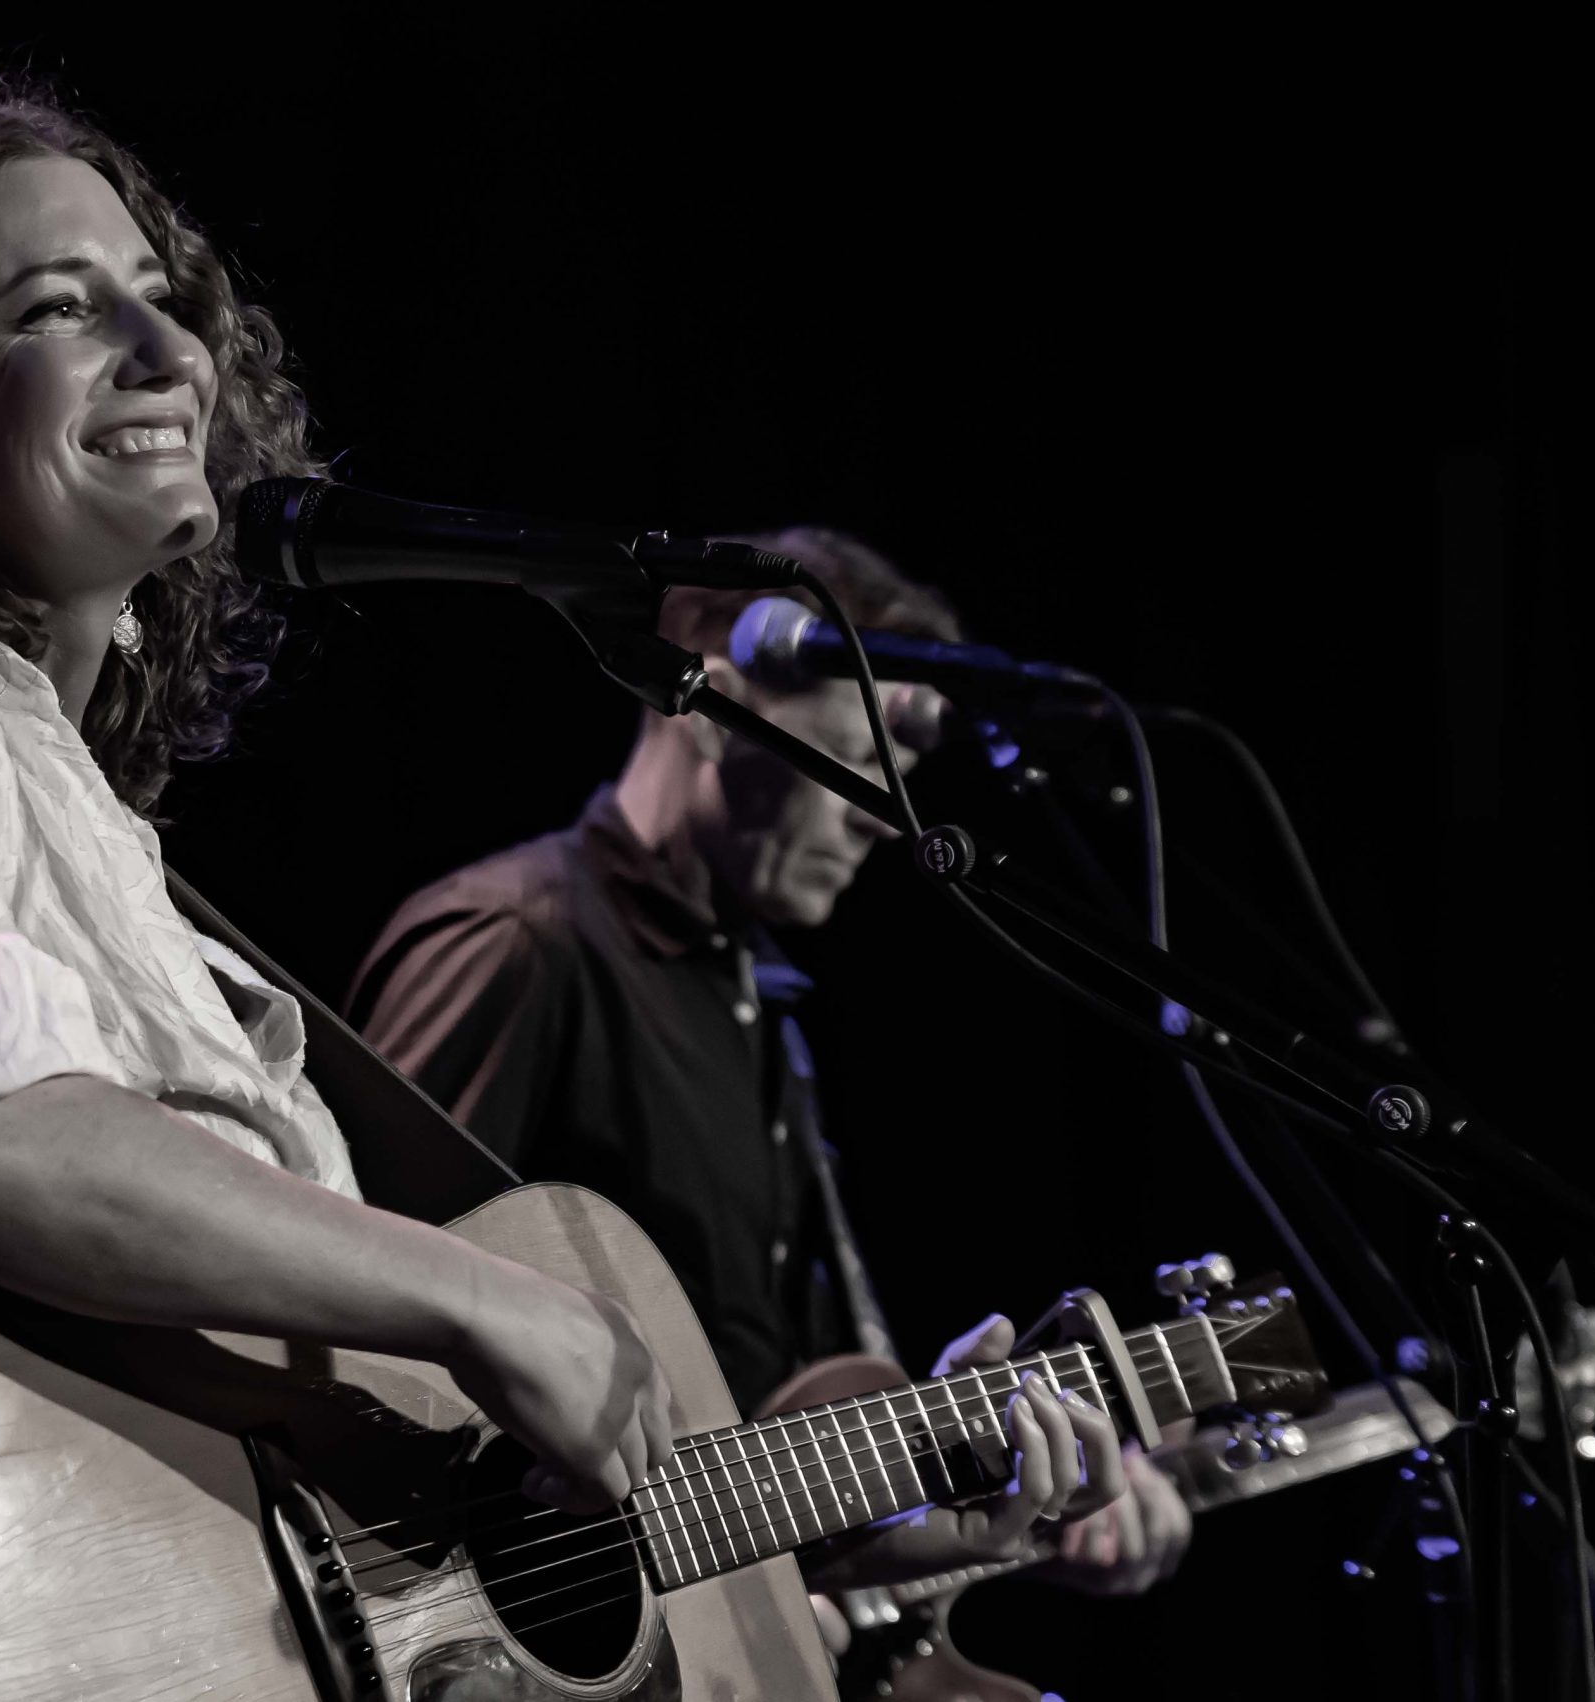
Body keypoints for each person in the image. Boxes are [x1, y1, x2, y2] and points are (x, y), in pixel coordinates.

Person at [0, 73, 1122, 1696]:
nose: (170, 352)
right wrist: (479, 1301)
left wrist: (849, 1515)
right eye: (61, 307)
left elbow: (422, 1524)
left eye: (166, 297)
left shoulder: (89, 832)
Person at [349, 533, 1194, 1600]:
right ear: (708, 712)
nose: (882, 818)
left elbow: (750, 1495)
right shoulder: (524, 938)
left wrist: (976, 1504)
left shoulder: (758, 1001)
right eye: (862, 759)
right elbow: (351, 1337)